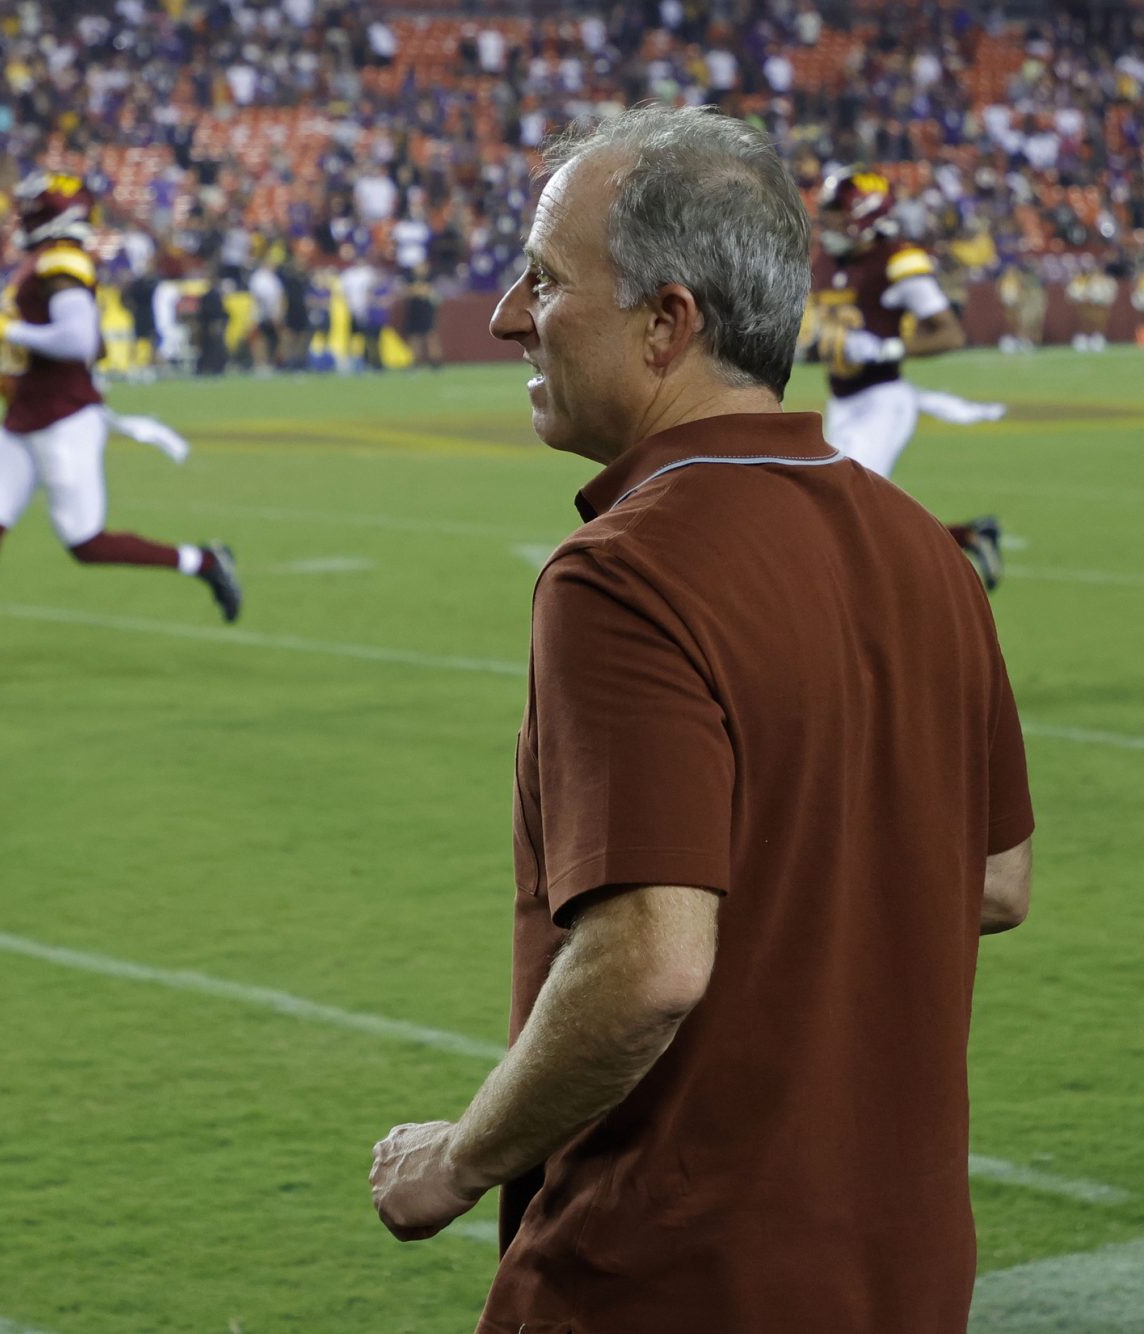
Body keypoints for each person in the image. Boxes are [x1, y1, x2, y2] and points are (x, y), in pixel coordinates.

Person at [367, 106, 1033, 1333]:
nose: (511, 315)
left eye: (544, 280)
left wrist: (458, 1157)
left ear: (667, 323)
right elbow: (992, 877)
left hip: (673, 1273)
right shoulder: (927, 552)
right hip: (902, 1264)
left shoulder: (622, 570)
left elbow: (653, 962)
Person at [0, 172, 241, 701]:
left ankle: (205, 562)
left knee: (86, 542)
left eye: (30, 208)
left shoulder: (62, 259)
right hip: (24, 416)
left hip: (64, 418)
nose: (21, 216)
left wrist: (9, 333)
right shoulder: (47, 258)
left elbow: (78, 339)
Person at [814, 168, 1002, 588]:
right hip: (841, 401)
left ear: (860, 213)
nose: (824, 220)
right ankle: (967, 538)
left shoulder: (897, 260)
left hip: (883, 400)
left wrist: (887, 348)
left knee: (846, 507)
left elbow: (950, 333)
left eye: (832, 211)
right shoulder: (828, 260)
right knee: (847, 510)